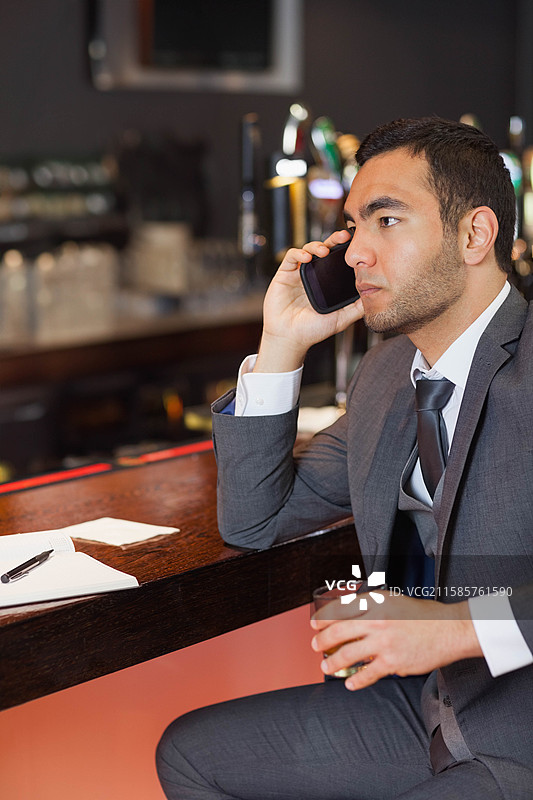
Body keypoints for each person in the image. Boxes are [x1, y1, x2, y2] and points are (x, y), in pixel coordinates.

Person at [156, 117, 533, 799]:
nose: (355, 251)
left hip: (520, 735)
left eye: (386, 221)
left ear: (474, 235)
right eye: (353, 225)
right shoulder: (388, 374)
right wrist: (281, 344)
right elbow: (255, 521)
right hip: (431, 708)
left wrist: (453, 628)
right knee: (191, 755)